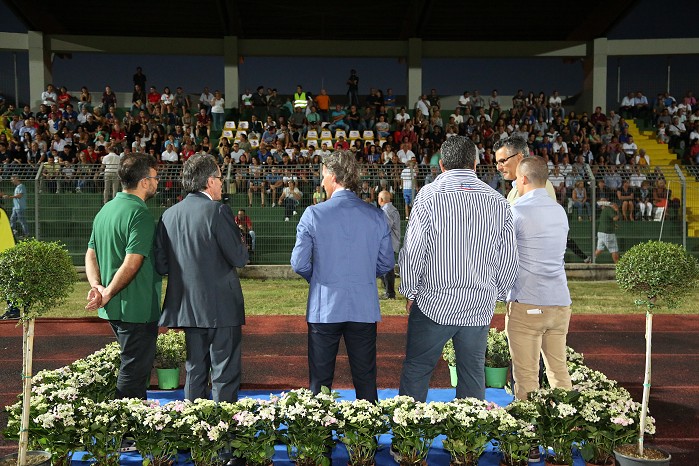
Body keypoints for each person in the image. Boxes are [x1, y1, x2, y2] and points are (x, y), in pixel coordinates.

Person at [398, 136, 518, 402]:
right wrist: (498, 292)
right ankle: (470, 429)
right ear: (475, 164)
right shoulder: (497, 201)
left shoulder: (428, 196)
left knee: (417, 369)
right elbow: (509, 256)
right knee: (472, 373)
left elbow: (414, 250)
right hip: (478, 303)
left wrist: (410, 290)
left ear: (442, 165)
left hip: (433, 301)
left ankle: (408, 429)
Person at [290, 150, 394, 402]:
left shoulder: (313, 214)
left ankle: (320, 428)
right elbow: (386, 262)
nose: (322, 182)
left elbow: (299, 263)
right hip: (363, 307)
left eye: (323, 176)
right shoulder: (376, 215)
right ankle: (367, 427)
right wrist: (363, 274)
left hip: (324, 307)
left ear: (334, 177)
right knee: (365, 379)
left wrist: (320, 277)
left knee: (320, 382)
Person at [154, 154, 248, 403]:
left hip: (186, 306)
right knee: (224, 373)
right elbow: (239, 257)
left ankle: (194, 422)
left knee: (195, 370)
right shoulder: (218, 211)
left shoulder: (168, 215)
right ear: (209, 181)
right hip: (221, 306)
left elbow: (161, 264)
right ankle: (223, 425)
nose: (222, 184)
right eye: (220, 178)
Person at [84, 153, 162, 400]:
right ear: (144, 181)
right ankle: (126, 420)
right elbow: (132, 261)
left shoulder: (106, 209)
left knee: (133, 364)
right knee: (134, 370)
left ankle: (129, 415)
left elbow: (90, 254)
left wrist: (97, 286)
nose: (157, 182)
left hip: (115, 307)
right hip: (136, 307)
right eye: (155, 178)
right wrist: (106, 292)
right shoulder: (140, 214)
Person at [505, 156, 572, 401]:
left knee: (526, 378)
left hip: (528, 302)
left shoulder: (516, 211)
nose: (515, 184)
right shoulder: (559, 211)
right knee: (559, 372)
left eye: (516, 179)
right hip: (560, 302)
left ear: (523, 179)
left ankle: (528, 423)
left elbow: (504, 255)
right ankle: (565, 420)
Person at [495, 136, 592, 263]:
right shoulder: (515, 191)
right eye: (497, 163)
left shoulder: (539, 186)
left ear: (518, 157)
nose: (498, 167)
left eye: (502, 161)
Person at [377, 190, 400, 300]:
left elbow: (385, 227)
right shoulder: (391, 209)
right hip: (391, 242)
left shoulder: (386, 210)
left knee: (387, 268)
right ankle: (388, 290)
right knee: (385, 267)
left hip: (388, 242)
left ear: (381, 199)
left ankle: (390, 293)